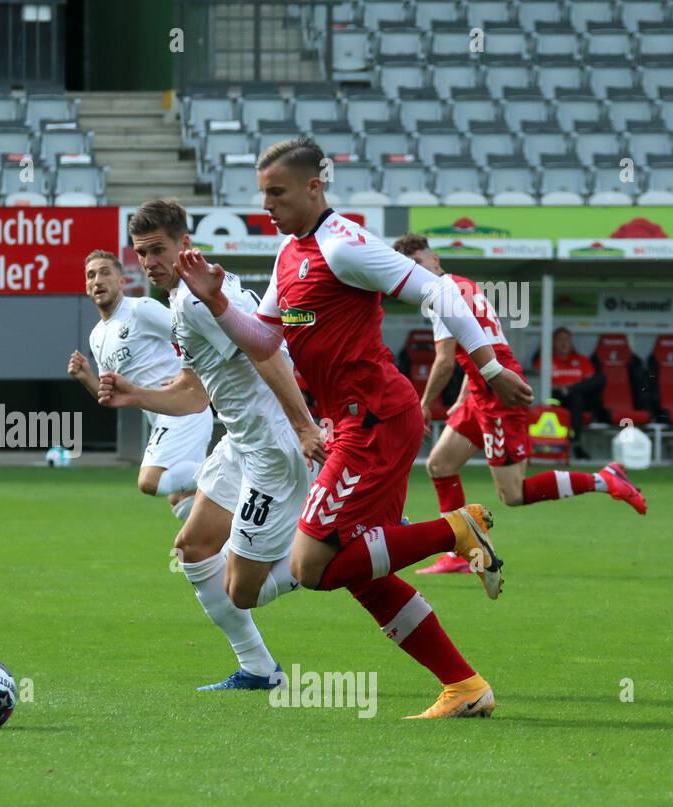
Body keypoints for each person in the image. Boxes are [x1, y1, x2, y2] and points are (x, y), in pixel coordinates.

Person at [184, 136, 536, 719]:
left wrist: (491, 365)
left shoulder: (343, 245)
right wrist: (220, 303)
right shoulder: (289, 254)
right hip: (356, 424)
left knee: (309, 567)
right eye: (261, 193)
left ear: (314, 187)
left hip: (374, 422)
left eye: (277, 192)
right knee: (362, 569)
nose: (266, 204)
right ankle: (465, 686)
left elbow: (439, 291)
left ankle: (457, 529)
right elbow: (267, 340)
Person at [98, 200, 316, 691]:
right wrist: (136, 395)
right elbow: (194, 391)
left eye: (159, 250)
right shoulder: (188, 296)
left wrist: (303, 427)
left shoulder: (197, 300)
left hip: (271, 452)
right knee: (193, 549)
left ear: (185, 246)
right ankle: (260, 670)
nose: (150, 262)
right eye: (141, 253)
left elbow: (268, 355)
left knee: (242, 591)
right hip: (239, 444)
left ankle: (331, 550)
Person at [397, 236, 647, 574]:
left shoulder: (442, 295)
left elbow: (444, 362)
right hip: (482, 391)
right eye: (409, 265)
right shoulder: (464, 285)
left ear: (435, 259)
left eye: (418, 261)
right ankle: (459, 553)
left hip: (500, 395)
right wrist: (461, 399)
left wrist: (424, 404)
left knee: (513, 494)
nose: (416, 268)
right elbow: (478, 348)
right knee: (440, 465)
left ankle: (604, 479)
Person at [67, 250, 213, 520]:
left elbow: (191, 333)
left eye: (105, 272)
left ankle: (231, 470)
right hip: (161, 417)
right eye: (91, 275)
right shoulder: (97, 336)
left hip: (181, 408)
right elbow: (111, 394)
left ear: (121, 281)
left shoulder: (140, 309)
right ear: (87, 287)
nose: (97, 280)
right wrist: (86, 376)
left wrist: (189, 376)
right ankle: (224, 549)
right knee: (181, 502)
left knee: (150, 481)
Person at [534, 328, 607, 460]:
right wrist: (561, 388)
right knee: (575, 398)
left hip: (582, 398)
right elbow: (541, 385)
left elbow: (591, 383)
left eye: (567, 340)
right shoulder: (545, 360)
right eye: (560, 340)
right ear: (553, 342)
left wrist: (571, 388)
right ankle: (577, 444)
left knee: (599, 378)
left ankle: (571, 391)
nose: (564, 343)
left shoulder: (581, 360)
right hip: (557, 399)